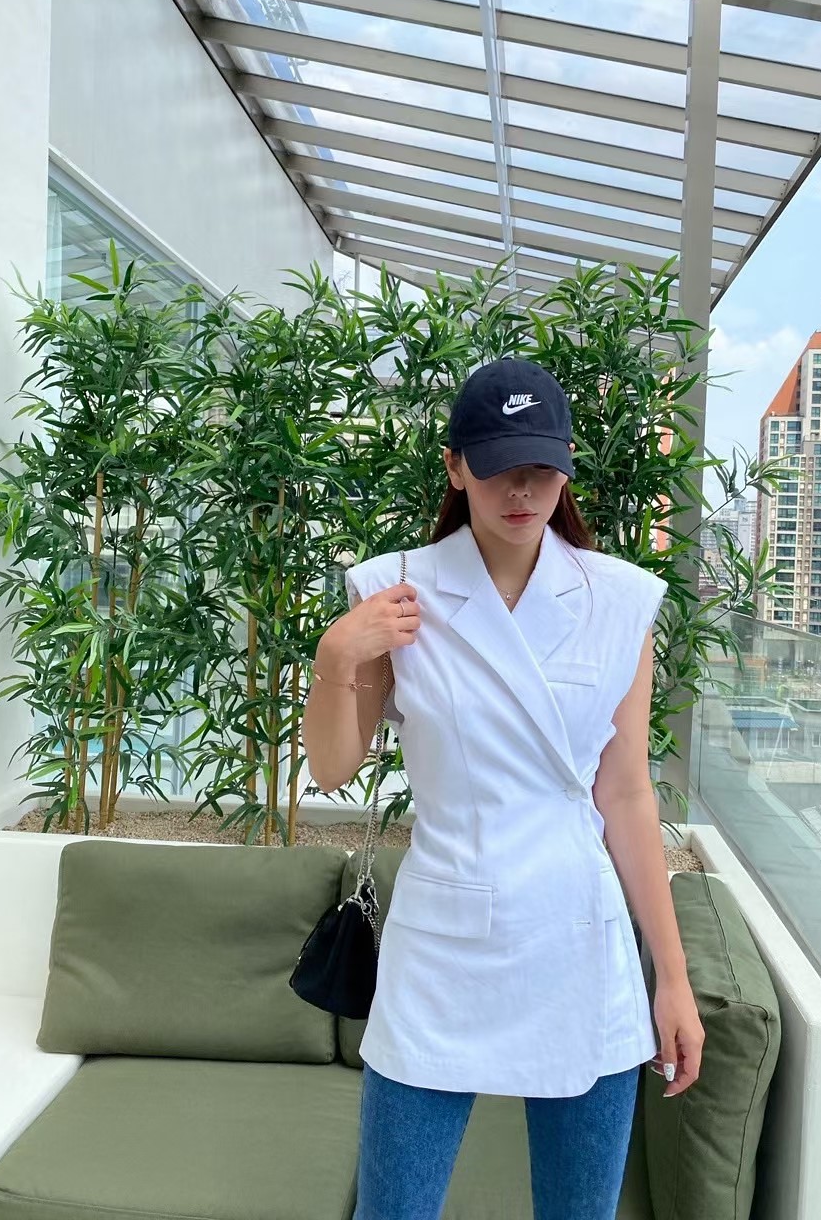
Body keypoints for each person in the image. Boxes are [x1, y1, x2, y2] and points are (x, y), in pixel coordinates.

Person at [302, 358, 705, 1220]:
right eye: (496, 468)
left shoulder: (620, 601)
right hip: (443, 946)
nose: (521, 491)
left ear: (566, 466)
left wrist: (670, 977)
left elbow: (626, 796)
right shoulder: (391, 593)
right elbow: (332, 769)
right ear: (455, 468)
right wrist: (336, 656)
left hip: (578, 939)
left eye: (539, 468)